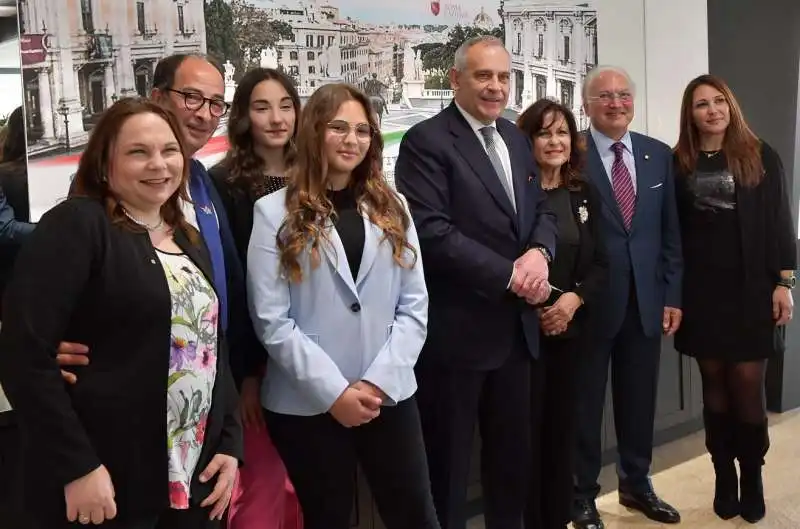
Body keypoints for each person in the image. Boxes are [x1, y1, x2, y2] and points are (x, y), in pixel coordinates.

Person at [0, 98, 242, 529]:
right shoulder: (77, 224)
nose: (158, 164)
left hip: (193, 478)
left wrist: (230, 444)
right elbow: (24, 353)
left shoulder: (186, 236)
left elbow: (211, 347)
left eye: (169, 151)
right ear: (104, 163)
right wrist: (76, 467)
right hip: (108, 481)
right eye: (137, 152)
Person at [247, 83, 439, 529]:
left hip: (387, 394)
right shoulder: (273, 212)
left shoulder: (393, 206)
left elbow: (415, 306)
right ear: (314, 131)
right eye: (339, 128)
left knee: (415, 515)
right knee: (328, 518)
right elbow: (272, 321)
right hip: (308, 403)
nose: (352, 140)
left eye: (362, 130)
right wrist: (334, 392)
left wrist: (376, 383)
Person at [395, 35, 558, 529]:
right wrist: (511, 275)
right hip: (458, 338)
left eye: (503, 77)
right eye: (484, 76)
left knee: (511, 463)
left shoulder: (512, 137)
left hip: (516, 336)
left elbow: (542, 209)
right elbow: (432, 233)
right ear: (455, 79)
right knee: (448, 468)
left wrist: (541, 252)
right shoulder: (426, 141)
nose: (496, 87)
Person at [56, 52, 260, 431]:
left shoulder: (205, 182)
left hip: (207, 393)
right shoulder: (97, 199)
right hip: (131, 406)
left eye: (216, 103)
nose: (204, 113)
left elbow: (228, 282)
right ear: (157, 96)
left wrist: (241, 376)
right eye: (192, 97)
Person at [672, 74, 795, 524]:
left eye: (719, 101)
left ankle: (753, 474)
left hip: (751, 293)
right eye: (702, 104)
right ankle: (723, 472)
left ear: (731, 106)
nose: (712, 110)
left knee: (747, 390)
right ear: (691, 114)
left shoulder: (761, 156)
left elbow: (782, 223)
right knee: (714, 391)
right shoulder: (678, 163)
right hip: (701, 295)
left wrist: (787, 283)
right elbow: (672, 235)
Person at [571, 65, 683, 529]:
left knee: (639, 402)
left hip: (647, 301)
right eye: (604, 97)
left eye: (623, 96)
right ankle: (580, 496)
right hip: (590, 304)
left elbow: (670, 233)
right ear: (587, 105)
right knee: (584, 406)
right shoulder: (570, 152)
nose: (616, 104)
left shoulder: (658, 155)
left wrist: (672, 294)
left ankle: (637, 484)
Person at [209, 67, 303, 529]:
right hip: (256, 353)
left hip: (315, 348)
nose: (276, 118)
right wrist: (245, 373)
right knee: (261, 489)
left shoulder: (316, 173)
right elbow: (230, 280)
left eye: (285, 105)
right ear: (244, 115)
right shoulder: (223, 182)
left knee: (309, 483)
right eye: (262, 106)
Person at [515, 99, 608, 529]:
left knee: (562, 437)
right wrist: (535, 311)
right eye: (545, 133)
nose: (555, 142)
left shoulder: (583, 191)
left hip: (574, 337)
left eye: (563, 133)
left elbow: (603, 262)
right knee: (525, 442)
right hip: (523, 340)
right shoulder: (517, 194)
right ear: (527, 139)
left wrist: (573, 301)